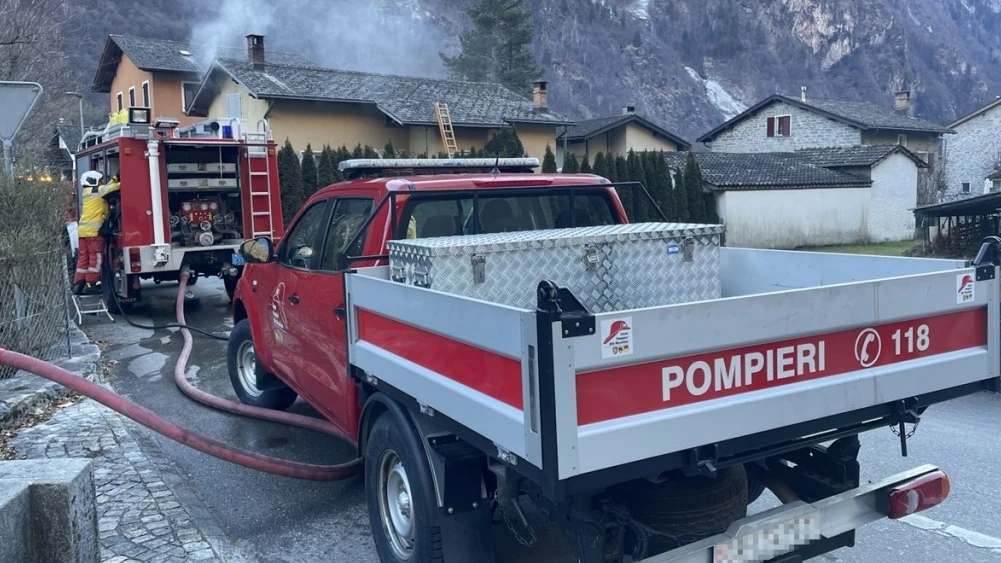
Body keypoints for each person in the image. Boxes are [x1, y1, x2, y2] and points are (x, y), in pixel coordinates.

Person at [72, 171, 121, 295]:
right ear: (93, 181)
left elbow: (106, 188)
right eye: (100, 180)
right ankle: (91, 284)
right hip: (94, 233)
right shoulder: (99, 191)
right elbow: (113, 188)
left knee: (83, 259)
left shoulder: (88, 192)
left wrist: (115, 177)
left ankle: (78, 284)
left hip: (83, 233)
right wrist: (124, 181)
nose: (101, 182)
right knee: (96, 259)